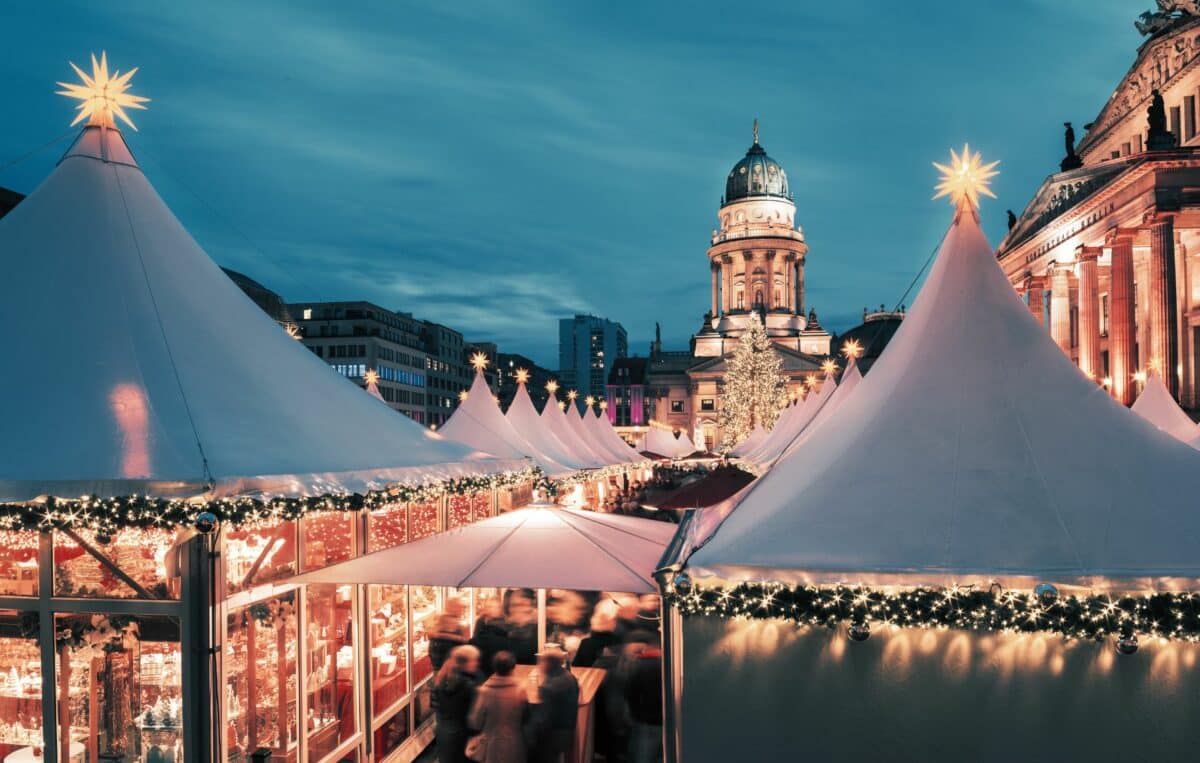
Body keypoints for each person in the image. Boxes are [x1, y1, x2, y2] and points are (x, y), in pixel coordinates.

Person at [467, 651, 527, 763]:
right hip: (515, 743)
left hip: (491, 745)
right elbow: (526, 717)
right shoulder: (520, 689)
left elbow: (475, 722)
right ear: (512, 668)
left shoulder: (484, 691)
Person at [529, 644, 579, 763]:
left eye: (541, 662)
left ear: (548, 664)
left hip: (553, 737)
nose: (539, 665)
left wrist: (530, 735)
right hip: (568, 732)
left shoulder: (549, 688)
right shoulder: (570, 677)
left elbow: (544, 719)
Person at [432, 644, 480, 763]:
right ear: (464, 664)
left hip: (443, 732)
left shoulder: (440, 681)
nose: (477, 664)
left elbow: (434, 705)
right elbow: (473, 716)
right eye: (475, 660)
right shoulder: (468, 686)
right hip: (461, 736)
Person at [625, 643, 664, 763]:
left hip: (645, 719)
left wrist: (633, 714)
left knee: (643, 755)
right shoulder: (666, 663)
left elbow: (632, 693)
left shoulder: (639, 666)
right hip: (663, 718)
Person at [471, 597, 512, 676]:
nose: (493, 609)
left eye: (496, 607)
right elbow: (476, 638)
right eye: (490, 607)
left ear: (500, 608)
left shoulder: (506, 621)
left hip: (501, 659)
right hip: (484, 659)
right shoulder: (481, 621)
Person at [429, 597, 470, 672]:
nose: (462, 610)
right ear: (452, 608)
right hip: (445, 663)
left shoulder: (458, 623)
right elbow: (433, 634)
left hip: (445, 663)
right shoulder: (443, 619)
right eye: (459, 607)